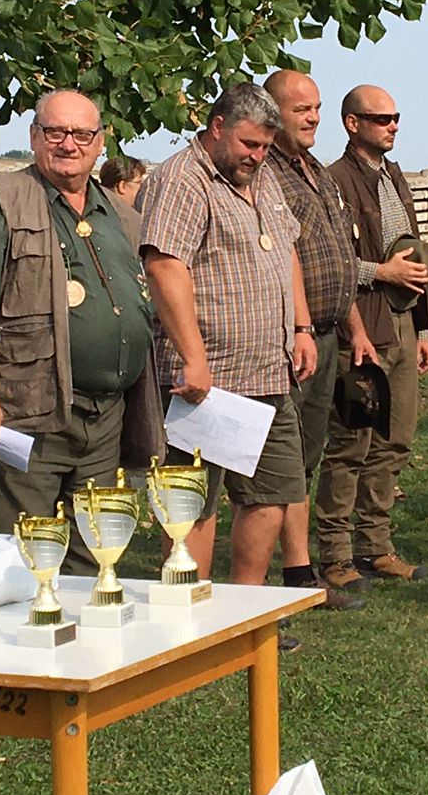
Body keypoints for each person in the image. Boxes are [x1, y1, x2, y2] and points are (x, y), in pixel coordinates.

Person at [0, 90, 161, 556]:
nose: (69, 144)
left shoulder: (120, 215)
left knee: (93, 556)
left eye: (82, 134)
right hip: (28, 415)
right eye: (56, 132)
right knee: (16, 557)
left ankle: (85, 632)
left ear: (101, 142)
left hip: (105, 419)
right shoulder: (0, 202)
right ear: (35, 136)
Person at [137, 83, 321, 607]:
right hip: (207, 379)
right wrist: (193, 358)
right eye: (248, 144)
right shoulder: (181, 180)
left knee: (273, 493)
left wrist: (301, 328)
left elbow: (285, 249)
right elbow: (164, 265)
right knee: (196, 501)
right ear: (217, 126)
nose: (257, 156)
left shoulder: (262, 178)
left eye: (265, 146)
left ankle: (245, 608)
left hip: (269, 369)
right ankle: (185, 607)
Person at [316, 82, 428, 591]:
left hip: (404, 325)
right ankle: (335, 554)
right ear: (352, 123)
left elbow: (413, 256)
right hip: (360, 326)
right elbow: (332, 263)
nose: (393, 126)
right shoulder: (334, 180)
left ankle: (376, 547)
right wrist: (379, 274)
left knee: (395, 440)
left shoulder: (394, 176)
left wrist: (427, 324)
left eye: (396, 117)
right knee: (351, 443)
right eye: (382, 118)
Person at [263, 71, 376, 610]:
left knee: (308, 454)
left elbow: (339, 261)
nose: (312, 118)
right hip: (290, 338)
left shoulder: (316, 173)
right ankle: (286, 574)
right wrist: (303, 329)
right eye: (300, 108)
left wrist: (356, 330)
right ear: (271, 110)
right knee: (283, 461)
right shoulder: (265, 173)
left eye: (317, 108)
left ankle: (300, 568)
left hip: (330, 333)